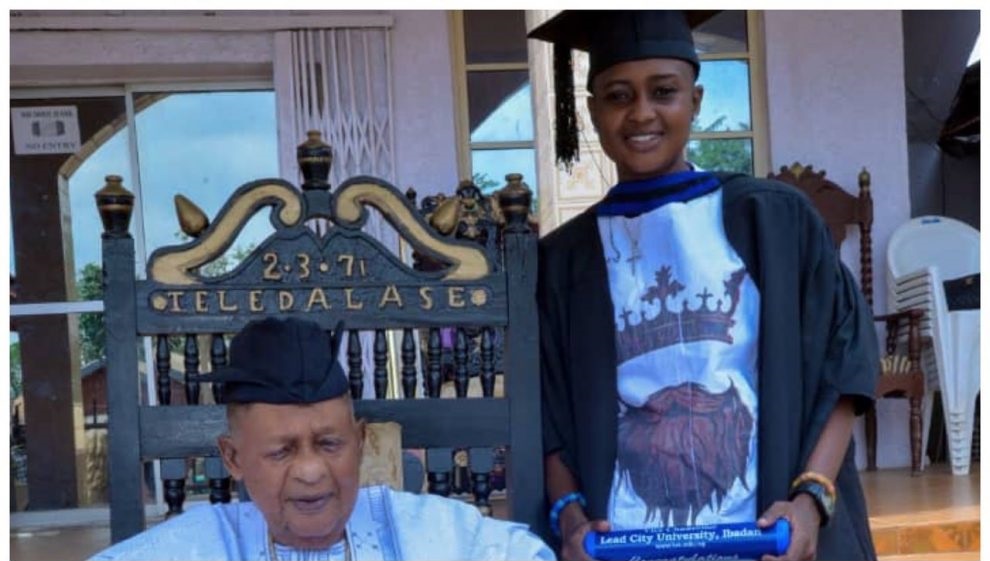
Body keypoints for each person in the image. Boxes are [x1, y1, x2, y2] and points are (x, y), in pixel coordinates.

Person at [530, 10, 879, 561]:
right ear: (593, 112)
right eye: (619, 96)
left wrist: (811, 502)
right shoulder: (563, 259)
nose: (641, 113)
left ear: (695, 100)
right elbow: (547, 413)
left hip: (767, 536)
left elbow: (844, 366)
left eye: (663, 92)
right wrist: (571, 520)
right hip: (627, 542)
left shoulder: (774, 219)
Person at [90, 317, 554, 561]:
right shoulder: (197, 545)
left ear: (361, 440)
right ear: (233, 458)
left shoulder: (439, 534)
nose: (311, 472)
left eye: (330, 444)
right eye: (281, 451)